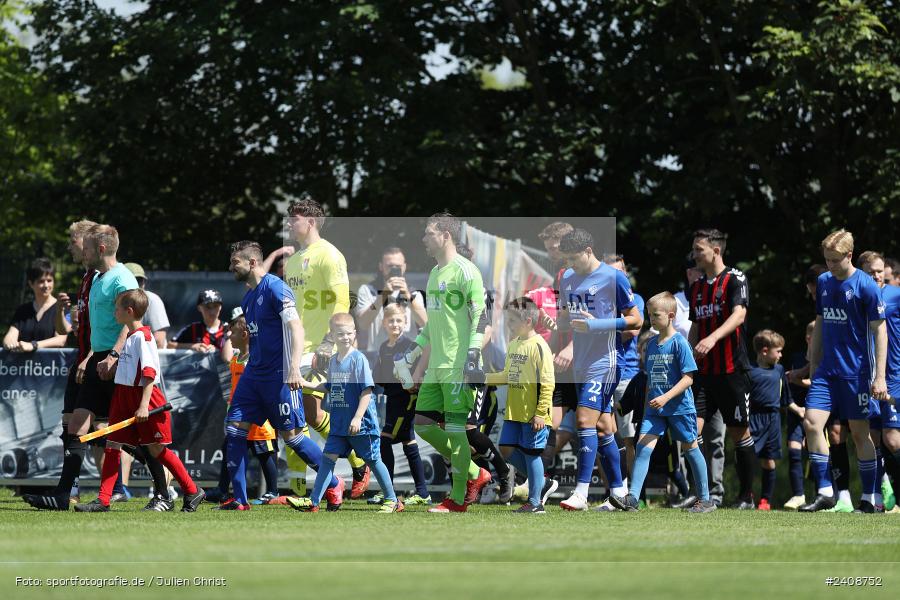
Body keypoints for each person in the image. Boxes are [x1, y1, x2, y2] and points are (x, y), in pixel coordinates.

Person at [24, 224, 171, 511]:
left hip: (118, 362)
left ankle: (167, 491)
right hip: (97, 359)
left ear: (100, 249)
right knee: (78, 423)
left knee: (137, 436)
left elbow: (130, 323)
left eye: (87, 247)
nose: (82, 252)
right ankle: (64, 494)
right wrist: (92, 354)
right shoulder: (96, 277)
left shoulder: (122, 278)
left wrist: (114, 356)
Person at [219, 241, 343, 510]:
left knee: (294, 438)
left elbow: (296, 329)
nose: (231, 267)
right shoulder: (248, 297)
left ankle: (333, 483)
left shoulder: (276, 288)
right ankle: (239, 500)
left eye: (235, 262)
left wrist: (294, 367)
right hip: (254, 375)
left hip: (279, 376)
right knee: (234, 430)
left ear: (252, 263)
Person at [392, 212, 492, 513]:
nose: (424, 238)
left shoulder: (467, 271)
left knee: (456, 429)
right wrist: (411, 353)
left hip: (459, 366)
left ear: (445, 235)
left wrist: (473, 353)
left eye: (428, 233)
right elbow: (433, 327)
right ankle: (475, 473)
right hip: (437, 366)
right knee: (422, 425)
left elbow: (482, 317)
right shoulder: (435, 273)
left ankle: (458, 498)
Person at [73, 289, 205, 512]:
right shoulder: (132, 338)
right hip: (123, 397)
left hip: (145, 399)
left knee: (156, 450)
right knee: (113, 445)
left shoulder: (143, 337)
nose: (114, 312)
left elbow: (149, 373)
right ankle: (103, 500)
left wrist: (144, 405)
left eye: (116, 309)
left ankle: (192, 490)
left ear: (129, 311)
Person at [283, 195, 371, 498]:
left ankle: (359, 464)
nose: (289, 223)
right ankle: (306, 483)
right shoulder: (294, 259)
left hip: (321, 347)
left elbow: (342, 300)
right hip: (296, 348)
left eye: (294, 218)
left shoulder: (330, 255)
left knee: (307, 414)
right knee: (305, 415)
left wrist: (329, 342)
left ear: (311, 221)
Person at [555, 228, 643, 512]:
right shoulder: (568, 277)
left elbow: (636, 320)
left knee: (584, 421)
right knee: (605, 427)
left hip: (606, 361)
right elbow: (567, 317)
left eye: (573, 258)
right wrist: (556, 321)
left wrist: (598, 325)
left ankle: (580, 493)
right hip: (581, 362)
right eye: (566, 259)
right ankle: (619, 493)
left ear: (588, 251)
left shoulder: (613, 277)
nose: (570, 264)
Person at [800, 229, 887, 513]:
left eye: (835, 260)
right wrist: (814, 366)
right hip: (827, 372)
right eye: (826, 260)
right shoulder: (824, 282)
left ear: (849, 255)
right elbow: (821, 324)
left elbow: (879, 331)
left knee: (861, 435)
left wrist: (880, 376)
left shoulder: (866, 286)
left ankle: (870, 496)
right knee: (812, 423)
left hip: (857, 373)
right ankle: (826, 491)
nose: (830, 266)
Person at [609, 292, 714, 513]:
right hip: (654, 410)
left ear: (671, 315)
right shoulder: (653, 344)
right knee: (642, 447)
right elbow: (650, 380)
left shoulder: (680, 344)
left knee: (690, 448)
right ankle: (633, 499)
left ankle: (705, 499)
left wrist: (666, 397)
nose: (651, 319)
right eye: (649, 315)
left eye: (656, 315)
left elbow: (688, 378)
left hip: (679, 408)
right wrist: (648, 403)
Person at [292, 313, 403, 513]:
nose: (345, 337)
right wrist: (305, 383)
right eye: (340, 334)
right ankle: (314, 502)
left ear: (354, 334)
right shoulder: (333, 361)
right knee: (327, 461)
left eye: (348, 333)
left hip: (360, 425)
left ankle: (392, 500)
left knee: (374, 461)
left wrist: (358, 417)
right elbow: (329, 387)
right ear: (332, 336)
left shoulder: (358, 359)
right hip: (339, 425)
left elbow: (367, 391)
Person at [688, 228, 756, 509]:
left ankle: (746, 496)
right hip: (704, 374)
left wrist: (713, 337)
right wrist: (687, 360)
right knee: (691, 430)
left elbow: (739, 314)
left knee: (740, 433)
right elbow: (694, 325)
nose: (695, 255)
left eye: (699, 249)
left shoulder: (735, 278)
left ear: (716, 250)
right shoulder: (697, 287)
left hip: (731, 371)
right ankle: (704, 495)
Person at [486, 297, 555, 513]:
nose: (508, 324)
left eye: (512, 321)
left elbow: (547, 382)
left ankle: (535, 503)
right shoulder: (514, 343)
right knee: (505, 449)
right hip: (514, 412)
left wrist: (540, 413)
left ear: (527, 320)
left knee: (531, 454)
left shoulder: (539, 346)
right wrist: (482, 378)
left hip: (534, 414)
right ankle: (542, 483)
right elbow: (507, 375)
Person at [207, 308, 283, 505]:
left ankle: (273, 491)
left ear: (245, 334)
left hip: (257, 419)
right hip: (239, 414)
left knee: (265, 453)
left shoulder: (255, 360)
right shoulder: (236, 358)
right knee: (229, 450)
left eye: (232, 332)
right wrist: (226, 333)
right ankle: (223, 489)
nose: (229, 336)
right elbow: (225, 355)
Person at [53, 221, 98, 504]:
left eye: (72, 241)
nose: (70, 246)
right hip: (80, 359)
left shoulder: (100, 278)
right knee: (70, 424)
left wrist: (92, 358)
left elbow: (109, 327)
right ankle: (70, 491)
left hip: (95, 361)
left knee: (116, 430)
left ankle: (167, 478)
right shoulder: (85, 279)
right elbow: (67, 330)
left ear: (86, 243)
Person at [370, 304, 431, 505]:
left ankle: (388, 491)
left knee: (385, 440)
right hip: (392, 400)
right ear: (383, 324)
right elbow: (381, 375)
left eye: (399, 320)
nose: (395, 324)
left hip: (406, 400)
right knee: (408, 442)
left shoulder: (409, 345)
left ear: (405, 323)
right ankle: (423, 493)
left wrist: (415, 382)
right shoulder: (383, 347)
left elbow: (419, 369)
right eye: (391, 321)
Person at [603, 253, 645, 492]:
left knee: (629, 438)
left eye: (619, 272)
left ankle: (632, 493)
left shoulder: (635, 299)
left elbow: (633, 330)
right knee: (602, 432)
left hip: (626, 375)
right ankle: (612, 492)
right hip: (600, 372)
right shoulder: (597, 298)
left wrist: (597, 327)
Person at [747, 329, 795, 511]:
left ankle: (765, 501)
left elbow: (786, 398)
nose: (781, 355)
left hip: (773, 420)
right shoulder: (750, 371)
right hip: (754, 418)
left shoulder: (779, 370)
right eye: (778, 351)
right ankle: (746, 494)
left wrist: (798, 410)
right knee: (748, 457)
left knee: (769, 460)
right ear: (764, 351)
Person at [355, 246, 427, 353]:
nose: (394, 270)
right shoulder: (368, 290)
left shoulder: (414, 293)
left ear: (405, 267)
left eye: (397, 266)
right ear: (381, 266)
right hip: (378, 355)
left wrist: (408, 297)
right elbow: (363, 324)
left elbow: (425, 323)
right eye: (390, 266)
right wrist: (382, 296)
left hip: (406, 358)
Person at [3, 258, 68, 352]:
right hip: (24, 366)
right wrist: (9, 343)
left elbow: (61, 340)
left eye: (49, 280)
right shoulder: (22, 310)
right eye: (41, 281)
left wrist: (33, 345)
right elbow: (9, 338)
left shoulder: (62, 307)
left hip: (52, 365)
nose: (46, 285)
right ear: (31, 283)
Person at [783, 320, 814, 510]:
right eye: (811, 337)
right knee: (794, 451)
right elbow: (788, 382)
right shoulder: (796, 357)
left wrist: (798, 379)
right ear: (807, 338)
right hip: (796, 410)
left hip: (816, 410)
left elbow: (818, 382)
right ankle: (798, 495)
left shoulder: (824, 357)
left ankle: (826, 493)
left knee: (817, 452)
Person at [123, 263, 170, 349]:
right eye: (133, 280)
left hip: (149, 360)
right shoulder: (117, 302)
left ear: (144, 283)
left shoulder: (152, 300)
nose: (137, 285)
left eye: (139, 280)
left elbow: (159, 341)